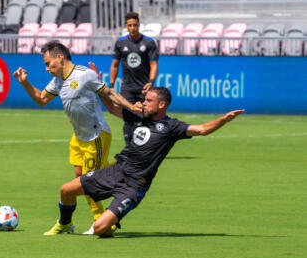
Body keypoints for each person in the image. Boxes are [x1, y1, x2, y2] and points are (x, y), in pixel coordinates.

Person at [45, 86, 244, 237]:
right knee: (66, 190)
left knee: (100, 229)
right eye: (145, 99)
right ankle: (65, 224)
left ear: (162, 104)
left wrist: (223, 120)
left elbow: (201, 129)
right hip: (115, 172)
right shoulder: (137, 115)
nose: (144, 102)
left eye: (149, 100)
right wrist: (98, 85)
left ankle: (111, 219)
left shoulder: (171, 126)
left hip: (133, 186)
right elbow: (113, 108)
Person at [12, 41, 142, 235]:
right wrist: (25, 83)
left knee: (89, 182)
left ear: (60, 57)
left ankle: (103, 221)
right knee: (80, 177)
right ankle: (67, 223)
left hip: (96, 136)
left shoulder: (84, 74)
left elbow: (109, 93)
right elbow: (41, 99)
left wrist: (131, 107)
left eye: (48, 63)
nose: (47, 68)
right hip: (78, 138)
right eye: (45, 65)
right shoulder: (58, 81)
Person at [110, 12, 159, 144]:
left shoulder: (148, 43)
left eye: (135, 25)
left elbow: (154, 64)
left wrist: (151, 82)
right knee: (128, 118)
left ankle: (146, 146)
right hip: (127, 87)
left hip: (144, 87)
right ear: (126, 26)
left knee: (144, 117)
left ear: (139, 25)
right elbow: (115, 65)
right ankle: (129, 147)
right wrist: (112, 86)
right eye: (130, 25)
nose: (133, 28)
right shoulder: (120, 43)